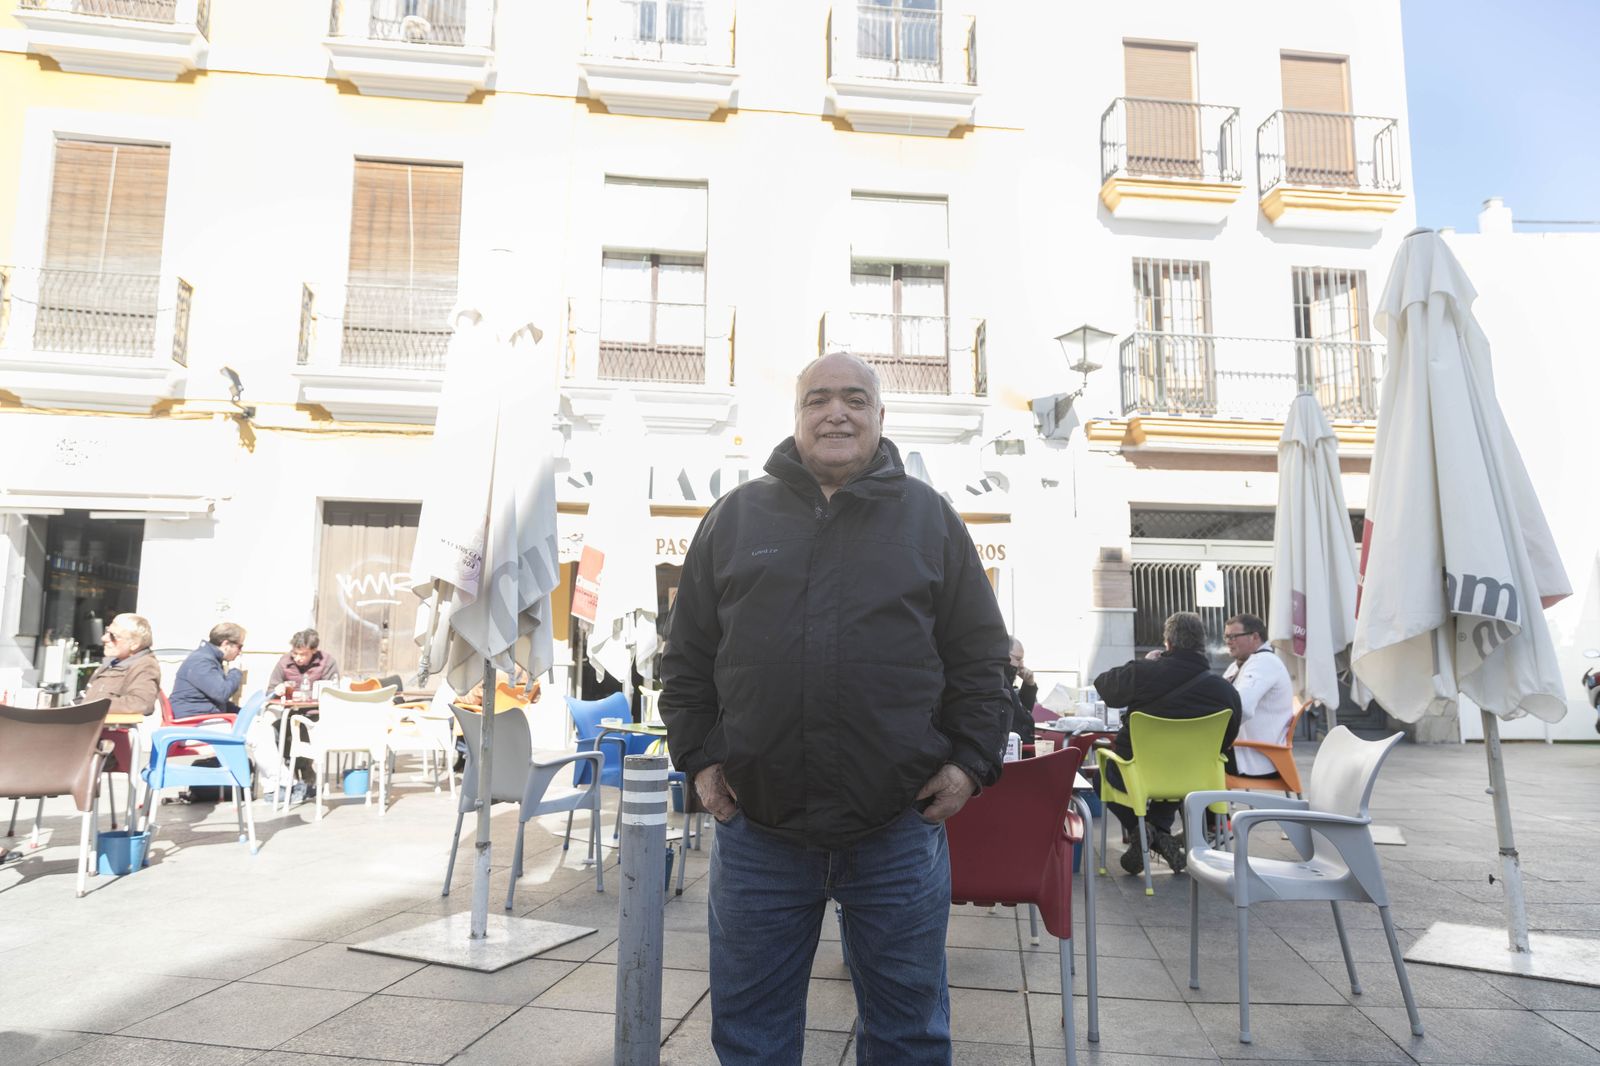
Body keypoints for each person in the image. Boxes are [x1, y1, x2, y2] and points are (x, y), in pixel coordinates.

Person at [661, 351, 1011, 1064]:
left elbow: (980, 656)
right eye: (818, 399)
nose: (837, 412)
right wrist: (699, 760)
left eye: (856, 399)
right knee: (750, 1034)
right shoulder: (734, 516)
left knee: (909, 1034)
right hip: (759, 828)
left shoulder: (931, 520)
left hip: (896, 829)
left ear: (882, 418)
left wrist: (971, 764)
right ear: (796, 419)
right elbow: (686, 657)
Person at [1093, 611, 1241, 876]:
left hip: (1137, 775)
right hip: (1195, 779)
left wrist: (1143, 662)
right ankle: (1160, 831)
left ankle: (1146, 832)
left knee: (1100, 775)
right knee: (1177, 769)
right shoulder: (1225, 691)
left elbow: (1104, 686)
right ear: (1201, 644)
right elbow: (1228, 739)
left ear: (1168, 643)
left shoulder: (1145, 673)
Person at [1221, 613, 1296, 777]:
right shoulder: (1240, 664)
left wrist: (1213, 732)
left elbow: (1243, 708)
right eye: (1226, 637)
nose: (1228, 642)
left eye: (1233, 636)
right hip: (1246, 750)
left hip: (1257, 757)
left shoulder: (1263, 662)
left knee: (1187, 756)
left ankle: (1193, 802)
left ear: (1255, 637)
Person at [81, 613, 161, 716]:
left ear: (134, 644)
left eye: (113, 636)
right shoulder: (111, 662)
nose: (104, 638)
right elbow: (84, 699)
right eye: (107, 631)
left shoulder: (145, 665)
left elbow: (141, 703)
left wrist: (93, 708)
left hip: (108, 729)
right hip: (85, 724)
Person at [170, 622, 246, 719]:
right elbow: (222, 693)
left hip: (201, 714)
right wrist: (236, 671)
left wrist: (241, 712)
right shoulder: (202, 662)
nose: (240, 652)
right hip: (193, 720)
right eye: (239, 647)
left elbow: (217, 699)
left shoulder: (209, 658)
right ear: (226, 644)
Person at [267, 629, 340, 699]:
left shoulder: (327, 662)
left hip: (315, 708)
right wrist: (277, 691)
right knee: (269, 712)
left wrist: (305, 695)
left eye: (303, 654)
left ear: (314, 650)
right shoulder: (284, 662)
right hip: (287, 707)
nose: (297, 658)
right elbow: (270, 691)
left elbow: (331, 692)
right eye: (295, 653)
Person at [1006, 636, 1038, 747]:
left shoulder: (1007, 683)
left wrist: (1029, 685)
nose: (1021, 665)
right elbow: (1019, 722)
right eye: (1018, 659)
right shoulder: (1000, 683)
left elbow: (1022, 713)